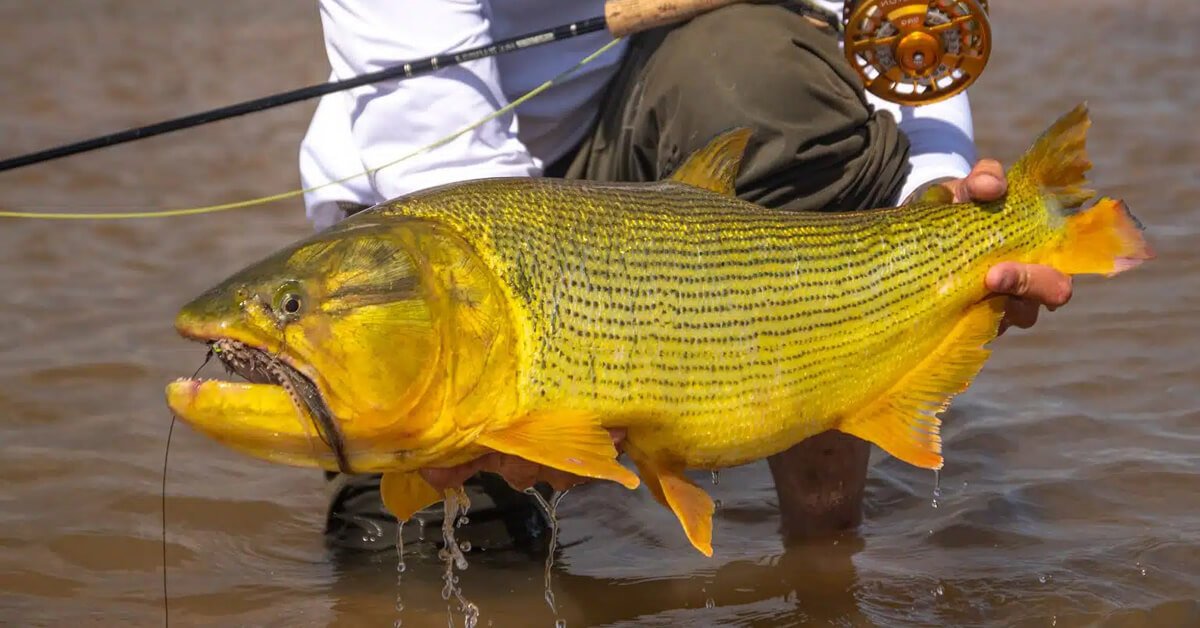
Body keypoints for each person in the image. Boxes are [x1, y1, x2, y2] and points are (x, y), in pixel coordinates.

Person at [299, 0, 1073, 551]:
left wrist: (934, 213)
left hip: (684, 126)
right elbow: (456, 178)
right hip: (458, 213)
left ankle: (825, 557)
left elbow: (901, 18)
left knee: (761, 76)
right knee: (417, 550)